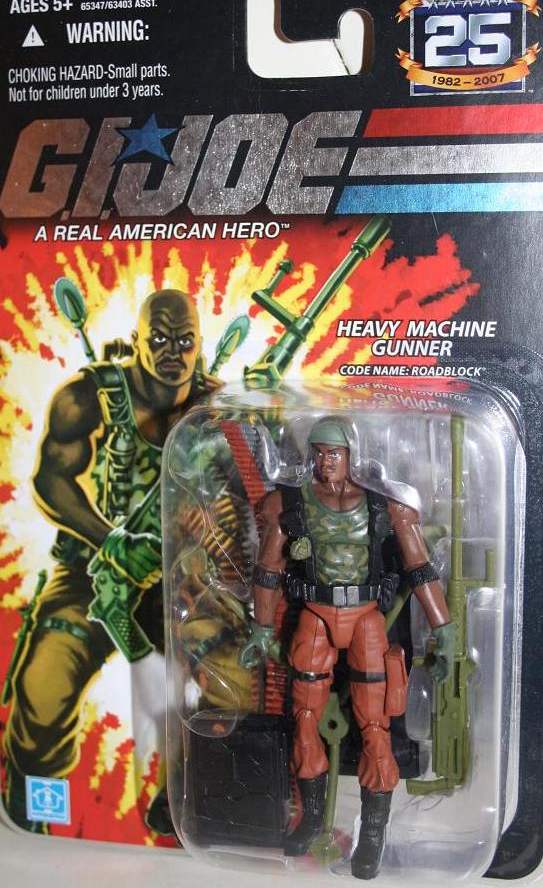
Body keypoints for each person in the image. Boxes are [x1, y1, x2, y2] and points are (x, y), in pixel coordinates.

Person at [3, 289, 220, 833]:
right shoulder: (87, 398)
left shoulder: (217, 410)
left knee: (227, 686)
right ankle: (34, 805)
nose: (172, 352)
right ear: (137, 340)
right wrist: (110, 539)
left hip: (181, 583)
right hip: (93, 572)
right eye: (159, 338)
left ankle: (192, 800)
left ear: (200, 343)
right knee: (42, 686)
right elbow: (50, 480)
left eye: (184, 341)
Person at [240, 418, 454, 880]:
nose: (325, 462)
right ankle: (312, 817)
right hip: (316, 616)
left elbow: (420, 566)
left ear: (353, 455)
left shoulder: (386, 506)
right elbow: (269, 569)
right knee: (304, 717)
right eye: (318, 453)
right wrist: (260, 629)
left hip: (366, 618)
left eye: (333, 454)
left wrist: (444, 629)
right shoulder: (288, 505)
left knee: (376, 725)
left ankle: (372, 834)